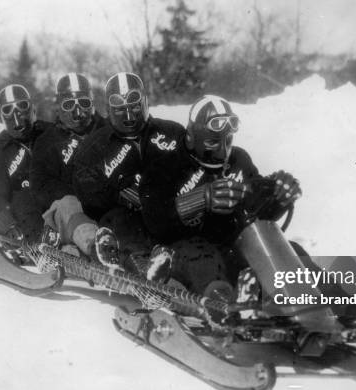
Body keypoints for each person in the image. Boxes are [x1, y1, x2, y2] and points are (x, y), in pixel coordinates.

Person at [138, 94, 301, 294]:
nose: (223, 151)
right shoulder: (164, 167)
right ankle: (222, 307)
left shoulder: (239, 159)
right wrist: (200, 199)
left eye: (228, 140)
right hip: (183, 254)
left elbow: (256, 217)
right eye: (213, 142)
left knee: (291, 251)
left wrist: (278, 198)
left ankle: (335, 301)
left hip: (230, 249)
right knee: (203, 257)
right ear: (191, 137)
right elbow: (154, 222)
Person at [71, 72, 187, 267]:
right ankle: (141, 266)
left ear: (145, 102)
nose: (128, 114)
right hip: (125, 219)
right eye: (119, 108)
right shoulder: (94, 145)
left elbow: (193, 168)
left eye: (134, 105)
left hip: (171, 212)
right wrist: (116, 191)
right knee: (117, 219)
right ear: (109, 110)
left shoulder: (172, 132)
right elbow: (86, 189)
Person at [29, 73, 108, 256]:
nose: (78, 112)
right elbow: (40, 185)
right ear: (58, 108)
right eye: (68, 105)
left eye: (84, 103)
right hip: (69, 209)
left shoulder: (107, 131)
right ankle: (94, 248)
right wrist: (79, 192)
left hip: (104, 205)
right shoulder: (46, 142)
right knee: (68, 204)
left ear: (92, 104)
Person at [0, 84, 51, 243]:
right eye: (8, 110)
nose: (16, 114)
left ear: (32, 108)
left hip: (54, 198)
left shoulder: (50, 133)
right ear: (2, 115)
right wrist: (7, 225)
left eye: (22, 106)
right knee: (23, 198)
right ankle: (42, 246)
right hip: (24, 208)